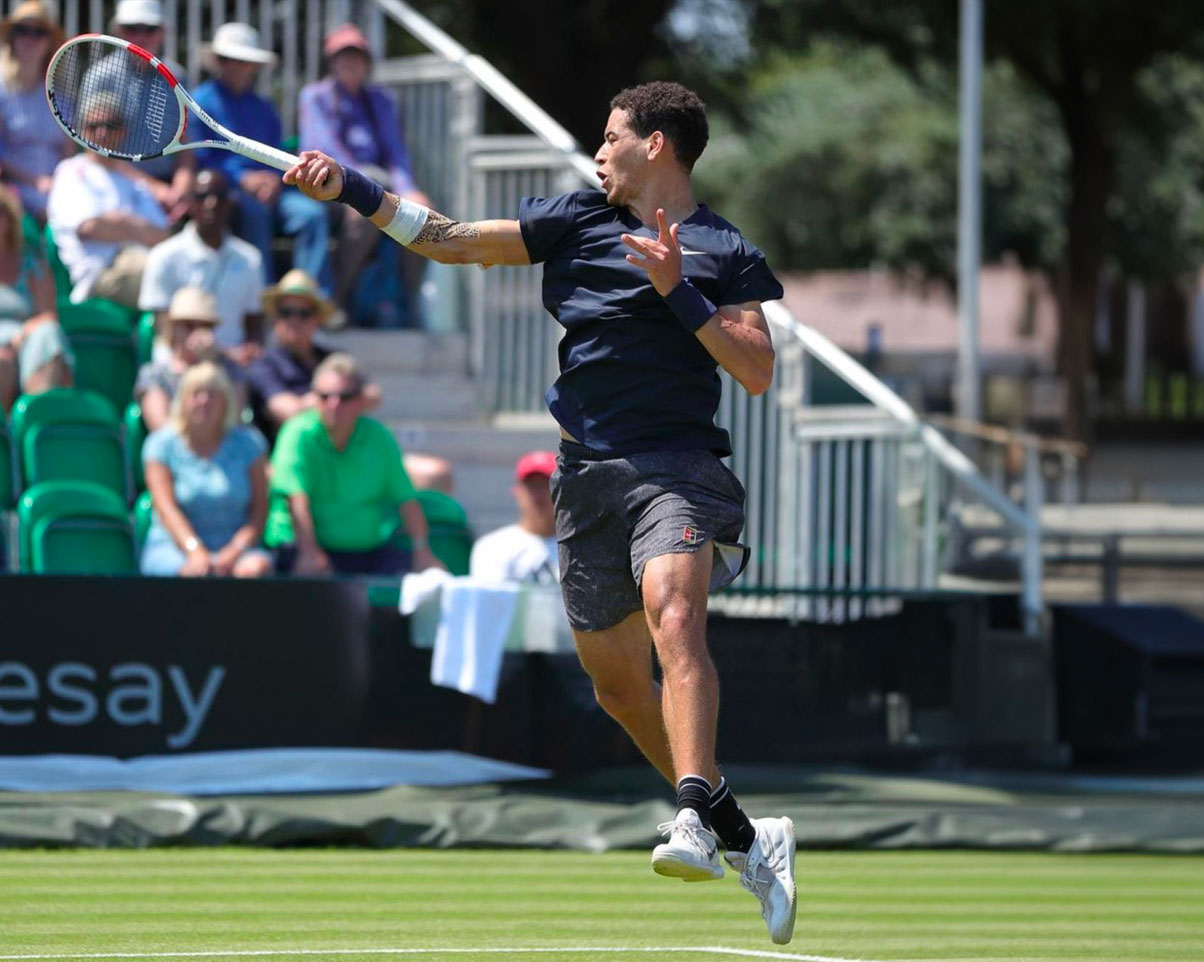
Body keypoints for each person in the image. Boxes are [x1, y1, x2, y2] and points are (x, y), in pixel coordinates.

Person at [285, 81, 795, 943]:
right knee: (619, 687)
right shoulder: (576, 219)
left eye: (611, 136)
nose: (598, 151)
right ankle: (743, 829)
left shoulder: (722, 249)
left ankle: (691, 821)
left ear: (657, 145)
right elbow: (446, 240)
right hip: (585, 476)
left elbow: (755, 369)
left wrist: (682, 292)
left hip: (680, 470)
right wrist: (353, 190)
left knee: (677, 619)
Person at [244, 267, 453, 490]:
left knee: (436, 475)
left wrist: (321, 402)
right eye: (286, 312)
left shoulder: (334, 357)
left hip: (347, 455)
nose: (294, 320)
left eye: (303, 313)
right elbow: (289, 412)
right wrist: (344, 399)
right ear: (276, 318)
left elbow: (373, 395)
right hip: (293, 462)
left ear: (317, 319)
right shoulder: (263, 365)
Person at [264, 352, 442, 576]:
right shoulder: (297, 433)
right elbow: (296, 500)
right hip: (302, 546)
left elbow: (406, 499)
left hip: (367, 551)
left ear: (361, 401)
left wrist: (422, 550)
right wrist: (309, 552)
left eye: (344, 397)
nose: (333, 404)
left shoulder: (379, 438)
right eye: (324, 396)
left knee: (428, 579)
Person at [298, 24, 430, 324]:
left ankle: (411, 299)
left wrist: (409, 188)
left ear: (367, 61)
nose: (350, 61)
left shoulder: (381, 99)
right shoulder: (315, 96)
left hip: (375, 184)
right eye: (343, 55)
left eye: (356, 55)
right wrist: (364, 183)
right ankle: (336, 300)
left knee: (422, 212)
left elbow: (395, 150)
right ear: (331, 61)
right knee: (365, 214)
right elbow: (324, 149)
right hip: (328, 185)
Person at [193, 23, 331, 291]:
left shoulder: (264, 108)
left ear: (254, 65)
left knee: (312, 214)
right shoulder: (200, 100)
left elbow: (277, 154)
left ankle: (312, 298)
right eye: (228, 59)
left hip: (272, 190)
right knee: (255, 212)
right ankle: (263, 296)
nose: (236, 66)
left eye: (243, 60)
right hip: (227, 189)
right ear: (218, 62)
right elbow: (201, 156)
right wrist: (243, 178)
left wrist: (273, 181)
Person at [141, 361, 272, 578]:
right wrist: (194, 550)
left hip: (237, 549)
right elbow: (166, 509)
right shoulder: (160, 445)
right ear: (183, 400)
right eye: (197, 394)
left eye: (213, 394)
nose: (204, 401)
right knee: (194, 574)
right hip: (173, 547)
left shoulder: (249, 444)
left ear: (226, 401)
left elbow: (260, 509)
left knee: (253, 571)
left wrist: (235, 550)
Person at [46, 93, 171, 306]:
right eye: (93, 126)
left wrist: (121, 222)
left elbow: (164, 237)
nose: (102, 133)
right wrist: (138, 228)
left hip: (141, 262)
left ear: (123, 132)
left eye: (110, 125)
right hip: (100, 275)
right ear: (81, 131)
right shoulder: (70, 172)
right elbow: (90, 228)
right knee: (167, 277)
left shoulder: (133, 181)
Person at [82, 0, 195, 221]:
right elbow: (93, 150)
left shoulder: (176, 77)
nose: (141, 37)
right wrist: (153, 188)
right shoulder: (99, 77)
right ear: (118, 32)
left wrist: (181, 189)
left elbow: (186, 146)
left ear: (162, 33)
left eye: (150, 29)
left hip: (168, 186)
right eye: (132, 29)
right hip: (113, 183)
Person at [138, 169, 265, 364]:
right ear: (189, 203)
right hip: (177, 365)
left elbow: (254, 323)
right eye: (202, 196)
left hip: (234, 370)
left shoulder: (250, 259)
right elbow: (160, 324)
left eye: (219, 197)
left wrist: (248, 351)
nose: (211, 203)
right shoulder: (163, 257)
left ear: (230, 203)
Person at [0, 186, 72, 411]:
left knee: (48, 334)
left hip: (26, 341)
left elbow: (47, 316)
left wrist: (19, 337)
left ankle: (37, 413)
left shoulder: (32, 264)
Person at [135, 286, 244, 432]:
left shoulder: (228, 370)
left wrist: (209, 365)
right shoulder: (154, 374)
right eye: (189, 326)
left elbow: (234, 421)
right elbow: (160, 428)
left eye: (205, 326)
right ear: (172, 328)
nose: (198, 334)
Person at [0, 1, 71, 222]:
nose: (30, 39)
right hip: (12, 189)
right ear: (12, 38)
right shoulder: (2, 90)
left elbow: (67, 153)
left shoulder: (60, 94)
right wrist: (35, 181)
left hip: (57, 188)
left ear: (49, 42)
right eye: (22, 30)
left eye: (39, 32)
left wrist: (59, 185)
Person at [470, 450, 559, 584]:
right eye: (532, 486)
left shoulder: (579, 548)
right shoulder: (493, 547)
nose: (539, 495)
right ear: (517, 491)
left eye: (548, 486)